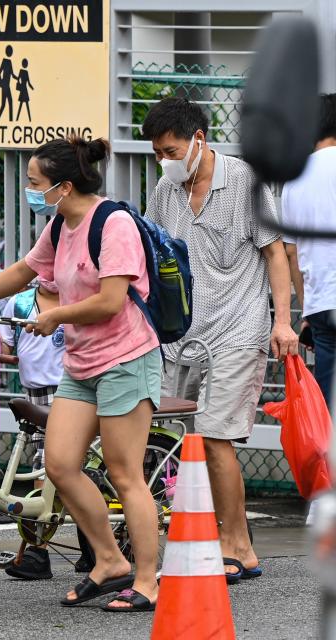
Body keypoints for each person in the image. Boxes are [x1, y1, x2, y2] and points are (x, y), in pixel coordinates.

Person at [0, 136, 161, 612]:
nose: (30, 189)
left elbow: (111, 300)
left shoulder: (114, 224)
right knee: (62, 465)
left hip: (126, 360)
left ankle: (147, 580)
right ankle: (109, 561)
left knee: (126, 475)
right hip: (82, 364)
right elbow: (25, 271)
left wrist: (55, 317)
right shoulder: (60, 226)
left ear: (63, 186)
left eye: (35, 183)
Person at [142, 96, 299, 583]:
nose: (164, 161)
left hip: (238, 328)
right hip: (181, 337)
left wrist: (282, 321)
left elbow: (274, 254)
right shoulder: (164, 193)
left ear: (198, 141)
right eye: (157, 154)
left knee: (215, 438)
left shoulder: (245, 183)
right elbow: (151, 257)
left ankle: (239, 546)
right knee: (174, 439)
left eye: (170, 150)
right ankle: (199, 536)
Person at [0, 280, 70, 580]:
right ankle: (40, 548)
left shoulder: (75, 298)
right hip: (35, 393)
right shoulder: (20, 303)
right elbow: (6, 345)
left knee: (54, 469)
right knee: (44, 470)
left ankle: (39, 550)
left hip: (68, 390)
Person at [282, 93, 336, 412]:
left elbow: (292, 253)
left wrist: (307, 310)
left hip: (321, 307)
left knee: (328, 410)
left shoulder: (293, 178)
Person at [0, 45, 16, 123]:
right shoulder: (5, 61)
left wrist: (17, 78)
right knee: (8, 103)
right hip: (5, 86)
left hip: (6, 86)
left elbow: (12, 74)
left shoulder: (8, 62)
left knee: (5, 104)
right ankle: (9, 120)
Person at [15, 58, 34, 122]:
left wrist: (31, 87)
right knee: (24, 105)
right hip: (24, 90)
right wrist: (31, 87)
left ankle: (28, 119)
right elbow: (27, 82)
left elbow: (19, 79)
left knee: (23, 105)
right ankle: (27, 119)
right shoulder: (24, 72)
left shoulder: (24, 72)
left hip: (23, 90)